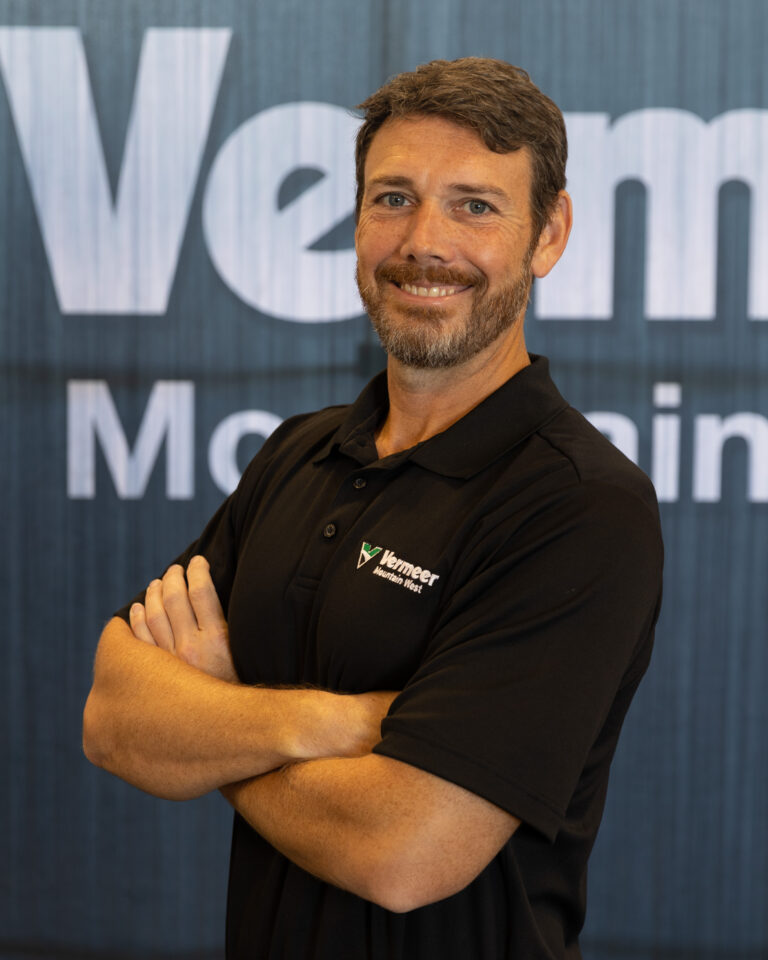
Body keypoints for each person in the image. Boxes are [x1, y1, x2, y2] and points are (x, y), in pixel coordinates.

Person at [83, 58, 663, 959]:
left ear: (549, 236)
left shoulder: (581, 507)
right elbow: (116, 719)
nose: (424, 242)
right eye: (393, 198)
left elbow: (405, 854)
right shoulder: (299, 455)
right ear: (356, 220)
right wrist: (329, 722)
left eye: (475, 205)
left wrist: (218, 720)